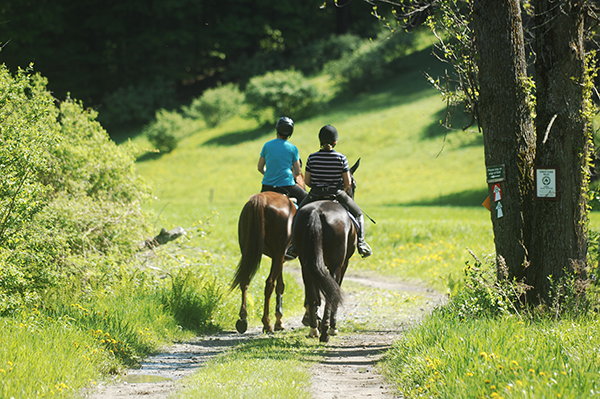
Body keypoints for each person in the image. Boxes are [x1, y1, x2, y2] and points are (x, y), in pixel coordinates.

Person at [297, 124, 372, 258]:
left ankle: (292, 244)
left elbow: (307, 182)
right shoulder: (341, 158)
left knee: (297, 214)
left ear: (320, 141)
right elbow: (348, 183)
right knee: (359, 214)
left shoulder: (312, 158)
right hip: (336, 193)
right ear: (335, 142)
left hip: (315, 194)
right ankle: (361, 243)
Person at [258, 116, 307, 204]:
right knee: (307, 200)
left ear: (277, 130)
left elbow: (260, 167)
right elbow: (297, 172)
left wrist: (270, 174)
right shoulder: (293, 148)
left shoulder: (267, 145)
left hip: (267, 186)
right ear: (290, 132)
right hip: (287, 185)